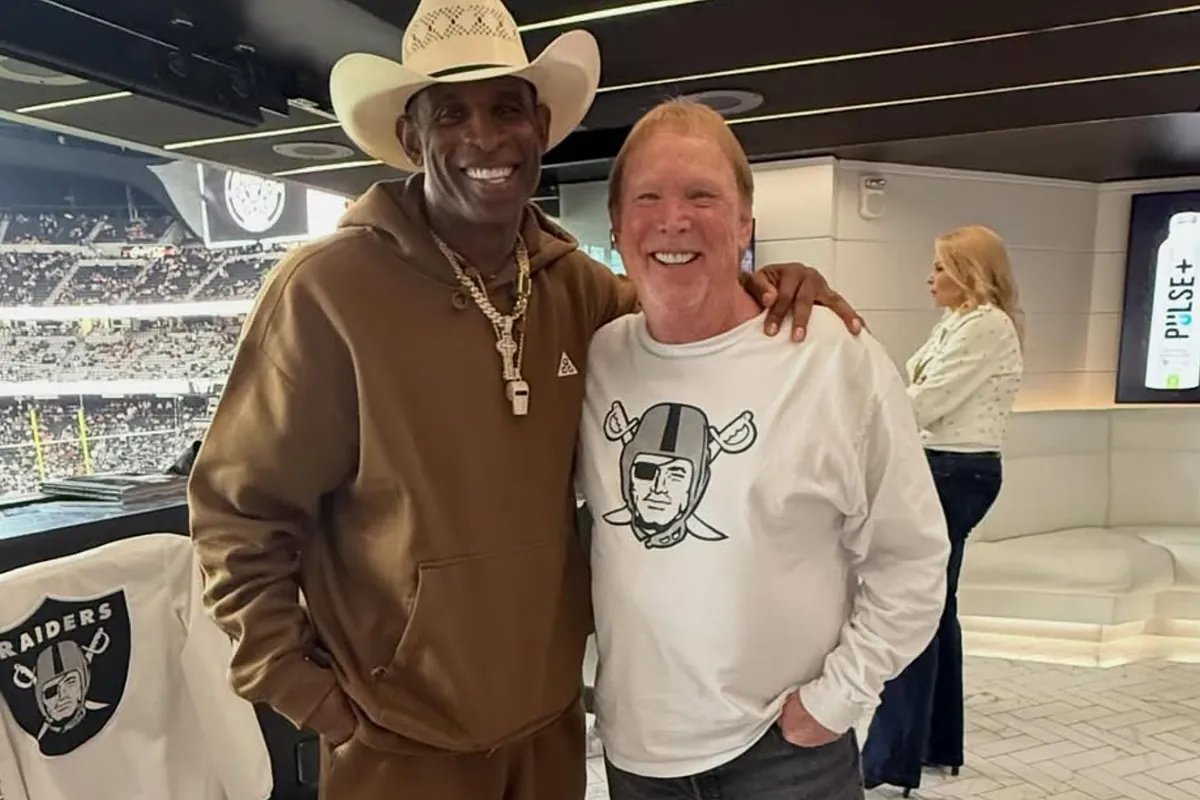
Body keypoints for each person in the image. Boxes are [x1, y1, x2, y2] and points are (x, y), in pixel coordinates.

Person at [185, 1, 862, 799]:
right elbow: (239, 514)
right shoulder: (326, 295)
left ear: (539, 126)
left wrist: (765, 285)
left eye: (506, 108)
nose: (484, 137)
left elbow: (684, 312)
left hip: (546, 733)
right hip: (395, 741)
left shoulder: (579, 291)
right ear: (411, 138)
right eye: (451, 114)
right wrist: (307, 694)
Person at [574, 99, 950, 800]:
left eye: (702, 196)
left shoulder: (833, 359)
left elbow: (913, 556)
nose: (673, 220)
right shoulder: (598, 359)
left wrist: (836, 700)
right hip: (637, 756)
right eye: (648, 198)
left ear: (746, 221)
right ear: (619, 228)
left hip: (783, 753)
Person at [861, 224, 1025, 795]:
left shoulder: (986, 326)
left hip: (955, 473)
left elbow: (926, 402)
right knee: (935, 606)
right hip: (944, 470)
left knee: (913, 606)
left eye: (938, 268)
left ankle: (889, 760)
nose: (928, 279)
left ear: (968, 273)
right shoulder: (958, 323)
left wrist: (856, 414)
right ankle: (932, 744)